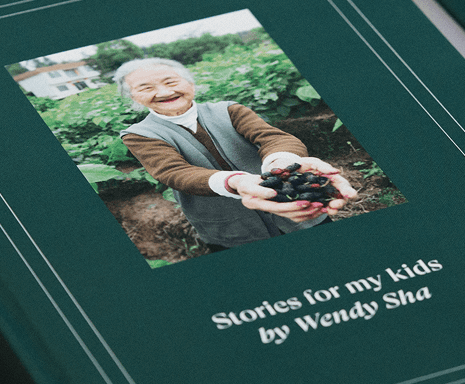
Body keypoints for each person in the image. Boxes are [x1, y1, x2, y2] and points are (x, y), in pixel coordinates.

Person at [115, 57, 356, 250]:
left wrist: (281, 166)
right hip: (229, 230)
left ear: (191, 84)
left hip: (299, 210)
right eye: (146, 88)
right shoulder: (139, 134)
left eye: (171, 81)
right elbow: (174, 172)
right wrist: (237, 182)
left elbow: (272, 138)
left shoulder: (229, 110)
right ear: (133, 97)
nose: (163, 92)